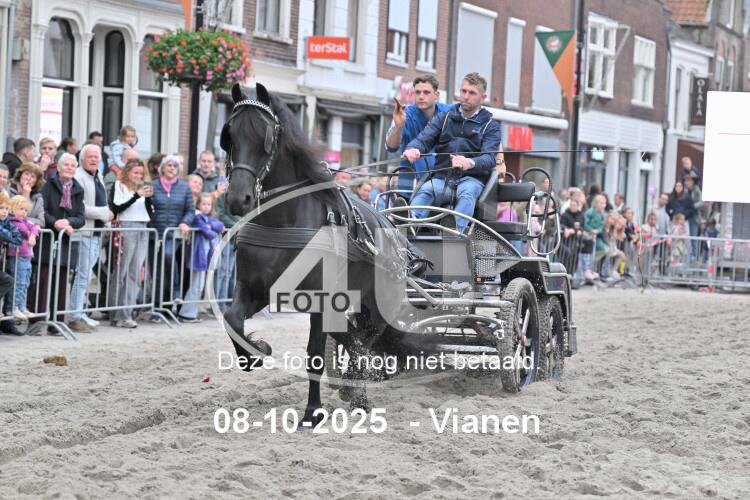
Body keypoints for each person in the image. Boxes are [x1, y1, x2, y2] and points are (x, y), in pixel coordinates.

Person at [403, 72, 501, 232]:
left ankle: (454, 233)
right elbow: (424, 138)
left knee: (467, 193)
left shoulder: (491, 126)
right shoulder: (444, 117)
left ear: (483, 97)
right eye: (463, 91)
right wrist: (413, 148)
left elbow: (489, 158)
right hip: (442, 178)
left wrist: (470, 162)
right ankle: (408, 225)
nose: (466, 96)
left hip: (471, 180)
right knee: (426, 190)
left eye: (472, 93)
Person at [68, 144, 113, 333]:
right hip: (84, 233)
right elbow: (79, 207)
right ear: (82, 159)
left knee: (86, 277)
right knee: (82, 276)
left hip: (96, 233)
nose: (94, 159)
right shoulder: (78, 176)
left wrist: (107, 222)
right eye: (90, 157)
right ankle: (74, 316)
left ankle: (79, 312)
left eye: (96, 157)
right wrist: (104, 213)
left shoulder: (98, 176)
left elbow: (102, 201)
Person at [385, 75, 452, 198]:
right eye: (417, 92)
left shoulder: (449, 112)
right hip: (409, 179)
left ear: (436, 95)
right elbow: (391, 148)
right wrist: (399, 126)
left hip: (441, 180)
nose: (421, 96)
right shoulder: (404, 113)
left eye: (426, 92)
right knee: (403, 207)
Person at [39, 153, 85, 331]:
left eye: (73, 165)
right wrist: (55, 223)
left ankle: (57, 323)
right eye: (66, 164)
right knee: (43, 282)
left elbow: (80, 217)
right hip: (47, 238)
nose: (69, 168)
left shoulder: (78, 189)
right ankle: (38, 322)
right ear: (58, 167)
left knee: (61, 283)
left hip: (65, 241)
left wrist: (68, 222)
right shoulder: (48, 184)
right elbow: (42, 210)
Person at [109, 159, 153, 328]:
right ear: (127, 172)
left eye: (141, 173)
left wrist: (148, 199)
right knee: (121, 270)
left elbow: (150, 213)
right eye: (135, 173)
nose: (138, 176)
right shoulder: (119, 186)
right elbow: (117, 208)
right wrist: (136, 196)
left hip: (143, 226)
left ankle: (126, 312)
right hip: (126, 226)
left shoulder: (143, 187)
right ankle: (114, 312)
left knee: (135, 272)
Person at [149, 155, 195, 308]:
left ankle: (175, 291)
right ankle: (158, 306)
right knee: (156, 270)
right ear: (162, 168)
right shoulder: (153, 185)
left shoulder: (184, 187)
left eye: (175, 166)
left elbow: (190, 210)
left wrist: (185, 222)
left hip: (173, 234)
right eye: (169, 165)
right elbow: (147, 206)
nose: (172, 168)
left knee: (168, 255)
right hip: (154, 233)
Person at [179, 192, 224, 322]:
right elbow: (209, 234)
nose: (206, 207)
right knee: (196, 285)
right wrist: (212, 228)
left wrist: (212, 226)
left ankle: (189, 312)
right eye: (203, 204)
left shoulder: (208, 218)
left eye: (209, 204)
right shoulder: (197, 217)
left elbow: (220, 225)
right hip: (198, 256)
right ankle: (187, 313)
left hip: (205, 256)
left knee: (200, 285)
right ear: (198, 204)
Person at [7, 195, 39, 320]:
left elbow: (34, 227)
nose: (24, 212)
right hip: (17, 256)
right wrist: (31, 233)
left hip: (27, 256)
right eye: (21, 209)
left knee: (26, 283)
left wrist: (33, 234)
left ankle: (22, 306)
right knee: (19, 283)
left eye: (26, 210)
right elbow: (24, 230)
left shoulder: (25, 221)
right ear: (13, 208)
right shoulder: (13, 221)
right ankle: (14, 307)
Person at [0, 193, 24, 328]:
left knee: (8, 280)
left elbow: (18, 239)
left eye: (6, 208)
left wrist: (5, 235)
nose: (4, 211)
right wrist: (7, 236)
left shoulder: (7, 222)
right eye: (1, 208)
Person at [215, 193, 238, 307]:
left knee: (229, 273)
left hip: (236, 239)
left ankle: (224, 302)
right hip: (225, 239)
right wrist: (237, 225)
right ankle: (217, 303)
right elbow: (220, 214)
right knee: (222, 272)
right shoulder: (222, 197)